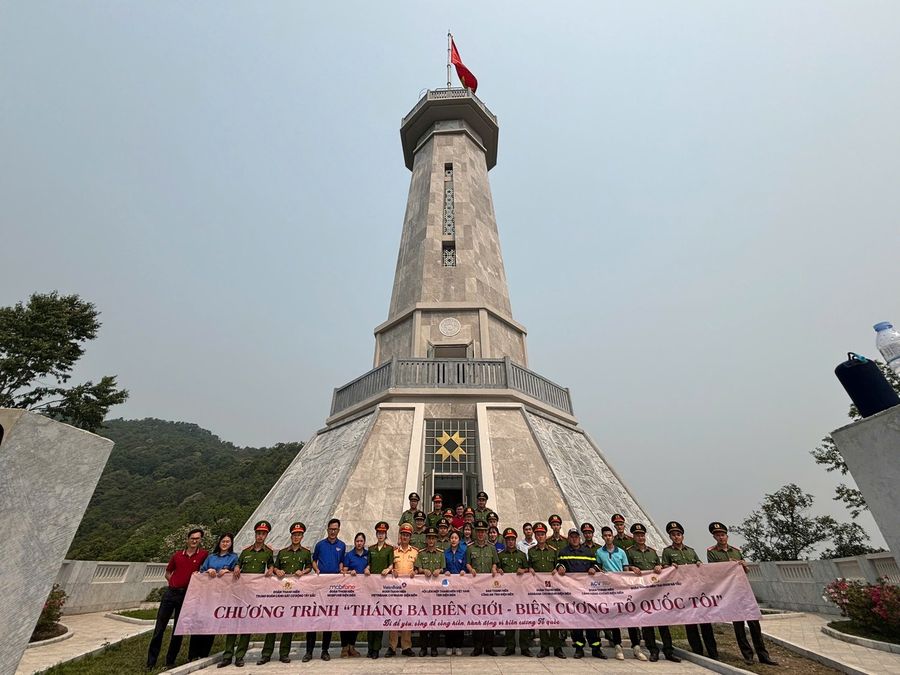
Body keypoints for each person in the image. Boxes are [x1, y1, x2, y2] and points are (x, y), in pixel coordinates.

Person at [707, 522, 778, 666]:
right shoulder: (712, 552)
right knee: (739, 626)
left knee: (754, 624)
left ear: (727, 536)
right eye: (718, 535)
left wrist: (742, 565)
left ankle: (763, 655)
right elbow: (715, 571)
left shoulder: (736, 551)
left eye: (723, 535)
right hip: (730, 593)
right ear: (714, 537)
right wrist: (729, 564)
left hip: (744, 591)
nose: (721, 538)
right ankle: (747, 655)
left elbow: (745, 571)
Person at [146, 527, 208, 670]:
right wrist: (173, 583)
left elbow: (206, 570)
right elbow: (168, 572)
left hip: (187, 595)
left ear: (200, 540)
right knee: (159, 628)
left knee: (178, 630)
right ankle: (151, 662)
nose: (194, 540)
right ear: (187, 539)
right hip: (171, 594)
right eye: (192, 538)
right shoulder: (177, 555)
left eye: (197, 538)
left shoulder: (203, 555)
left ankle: (170, 661)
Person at [661, 521, 718, 660]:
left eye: (678, 534)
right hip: (683, 592)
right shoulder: (667, 551)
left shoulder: (690, 551)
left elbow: (698, 564)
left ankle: (713, 652)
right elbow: (664, 567)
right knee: (690, 623)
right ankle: (697, 651)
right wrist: (670, 567)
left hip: (696, 591)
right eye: (673, 535)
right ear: (670, 537)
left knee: (705, 622)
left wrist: (698, 564)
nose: (676, 537)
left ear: (682, 536)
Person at [626, 523, 680, 663]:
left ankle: (668, 651)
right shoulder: (630, 552)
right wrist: (632, 567)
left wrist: (659, 566)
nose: (640, 537)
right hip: (641, 592)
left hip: (656, 592)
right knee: (647, 623)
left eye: (642, 535)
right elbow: (625, 568)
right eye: (638, 535)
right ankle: (653, 651)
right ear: (634, 537)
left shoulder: (652, 552)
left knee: (663, 622)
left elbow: (660, 566)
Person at [223, 521, 274, 668]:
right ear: (255, 534)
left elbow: (271, 564)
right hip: (241, 592)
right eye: (258, 533)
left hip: (255, 593)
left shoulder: (268, 552)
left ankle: (239, 655)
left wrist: (271, 569)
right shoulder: (246, 551)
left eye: (263, 533)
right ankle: (227, 655)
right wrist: (237, 566)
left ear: (266, 535)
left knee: (246, 624)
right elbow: (238, 564)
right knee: (234, 623)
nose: (260, 536)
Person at [266, 522, 312, 665]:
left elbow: (309, 566)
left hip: (294, 593)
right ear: (291, 536)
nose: (296, 537)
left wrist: (303, 571)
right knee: (273, 622)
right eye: (294, 534)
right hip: (280, 592)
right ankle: (266, 653)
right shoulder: (283, 552)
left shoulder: (305, 552)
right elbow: (275, 567)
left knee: (288, 623)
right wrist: (276, 571)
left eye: (299, 535)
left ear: (302, 536)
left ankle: (284, 653)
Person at [555, 528, 604, 660]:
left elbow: (596, 564)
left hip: (587, 594)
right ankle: (579, 647)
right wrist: (561, 567)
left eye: (576, 536)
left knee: (591, 621)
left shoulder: (588, 552)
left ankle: (596, 648)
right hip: (572, 594)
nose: (574, 539)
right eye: (572, 536)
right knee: (576, 622)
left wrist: (594, 568)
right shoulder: (563, 552)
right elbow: (560, 563)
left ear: (579, 538)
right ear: (569, 538)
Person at [304, 518, 346, 662]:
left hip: (333, 585)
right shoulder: (320, 545)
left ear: (339, 530)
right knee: (314, 617)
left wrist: (341, 570)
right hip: (320, 584)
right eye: (331, 529)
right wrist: (316, 570)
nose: (333, 531)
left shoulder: (342, 545)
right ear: (327, 529)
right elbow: (314, 560)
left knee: (328, 618)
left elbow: (341, 561)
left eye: (335, 529)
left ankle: (325, 650)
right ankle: (309, 651)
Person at [190, 532, 236, 661]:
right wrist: (206, 571)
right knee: (200, 621)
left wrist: (228, 571)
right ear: (219, 542)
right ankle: (192, 654)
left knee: (212, 622)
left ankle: (204, 653)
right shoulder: (211, 557)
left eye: (228, 541)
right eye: (223, 541)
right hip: (206, 594)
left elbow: (237, 574)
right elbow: (201, 572)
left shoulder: (233, 558)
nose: (225, 543)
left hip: (221, 595)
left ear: (231, 544)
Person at [594, 526, 638, 661]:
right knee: (615, 617)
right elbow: (600, 568)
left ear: (612, 536)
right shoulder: (599, 552)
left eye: (609, 535)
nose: (607, 537)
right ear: (602, 537)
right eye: (605, 535)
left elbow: (625, 569)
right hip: (609, 589)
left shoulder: (621, 552)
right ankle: (617, 645)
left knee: (630, 616)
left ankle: (636, 646)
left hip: (622, 588)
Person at [528, 522, 564, 659]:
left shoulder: (554, 551)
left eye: (542, 534)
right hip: (538, 591)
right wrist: (529, 569)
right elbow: (529, 566)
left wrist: (558, 568)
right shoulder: (531, 552)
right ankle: (544, 647)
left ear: (545, 535)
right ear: (535, 536)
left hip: (552, 591)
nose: (540, 536)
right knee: (542, 619)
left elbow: (559, 564)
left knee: (554, 618)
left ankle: (557, 647)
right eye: (538, 534)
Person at [466, 520, 500, 655]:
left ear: (486, 532)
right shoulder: (470, 548)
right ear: (475, 532)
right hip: (476, 588)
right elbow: (467, 564)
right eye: (478, 531)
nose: (480, 534)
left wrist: (494, 568)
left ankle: (489, 646)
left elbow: (495, 563)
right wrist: (470, 569)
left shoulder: (491, 548)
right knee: (477, 616)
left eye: (483, 531)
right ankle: (477, 646)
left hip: (489, 588)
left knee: (490, 616)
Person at [498, 528, 531, 656]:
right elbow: (496, 569)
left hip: (521, 593)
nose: (510, 542)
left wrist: (524, 570)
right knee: (509, 620)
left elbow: (529, 570)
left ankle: (524, 647)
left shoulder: (522, 555)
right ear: (505, 541)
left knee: (523, 620)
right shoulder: (500, 555)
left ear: (515, 540)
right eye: (508, 539)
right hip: (506, 593)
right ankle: (510, 647)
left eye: (512, 539)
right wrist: (499, 570)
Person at [386, 522, 418, 657]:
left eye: (407, 535)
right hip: (395, 589)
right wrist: (392, 570)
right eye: (403, 535)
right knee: (393, 617)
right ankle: (392, 647)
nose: (405, 537)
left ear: (410, 537)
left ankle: (406, 646)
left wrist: (415, 572)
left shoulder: (415, 552)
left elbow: (418, 568)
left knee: (407, 616)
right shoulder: (393, 552)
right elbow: (389, 566)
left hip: (410, 590)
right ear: (400, 536)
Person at [415, 527, 445, 656]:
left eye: (433, 538)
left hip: (437, 592)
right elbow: (418, 568)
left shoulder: (440, 553)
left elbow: (443, 568)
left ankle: (434, 647)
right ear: (426, 540)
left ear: (436, 540)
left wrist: (440, 570)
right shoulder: (421, 553)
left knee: (436, 621)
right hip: (424, 592)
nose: (431, 540)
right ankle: (423, 647)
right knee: (424, 620)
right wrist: (423, 571)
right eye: (429, 538)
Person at [365, 521, 394, 659]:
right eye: (379, 533)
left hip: (383, 587)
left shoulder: (389, 549)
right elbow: (369, 564)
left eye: (383, 533)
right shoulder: (371, 549)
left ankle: (376, 648)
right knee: (370, 616)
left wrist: (388, 569)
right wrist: (367, 568)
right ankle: (370, 647)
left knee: (379, 617)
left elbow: (391, 564)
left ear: (386, 534)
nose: (380, 535)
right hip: (371, 587)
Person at [338, 533, 368, 657]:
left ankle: (352, 646)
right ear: (354, 542)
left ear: (364, 542)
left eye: (361, 541)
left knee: (356, 619)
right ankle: (344, 647)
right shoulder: (349, 555)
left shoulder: (368, 554)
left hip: (362, 592)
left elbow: (369, 567)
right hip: (349, 592)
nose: (359, 543)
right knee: (346, 619)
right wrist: (350, 571)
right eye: (357, 541)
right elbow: (343, 570)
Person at [443, 529, 467, 655]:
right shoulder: (445, 553)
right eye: (451, 537)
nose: (453, 540)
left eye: (456, 538)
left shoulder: (463, 552)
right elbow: (443, 567)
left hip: (460, 589)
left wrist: (464, 571)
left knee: (459, 617)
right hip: (447, 589)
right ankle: (449, 645)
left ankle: (458, 645)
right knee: (448, 617)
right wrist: (444, 571)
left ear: (459, 540)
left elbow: (465, 567)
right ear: (449, 539)